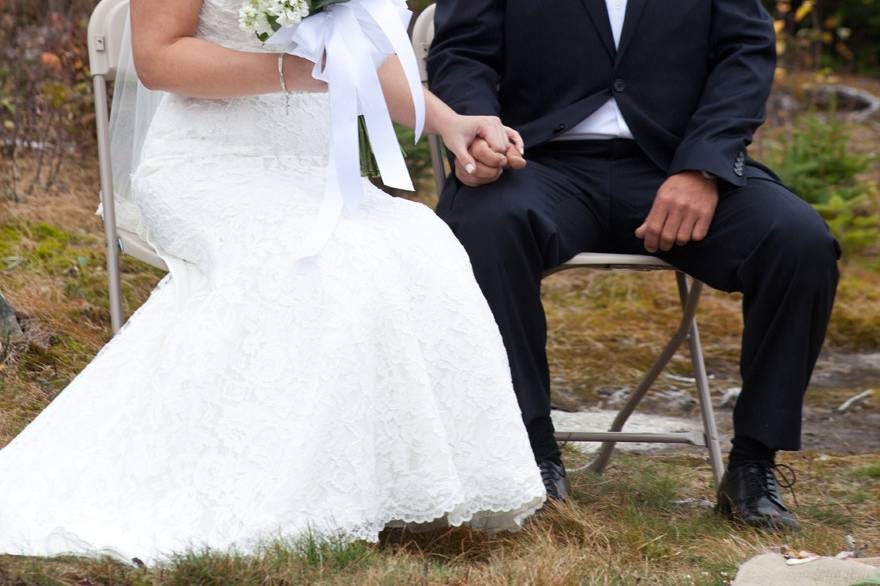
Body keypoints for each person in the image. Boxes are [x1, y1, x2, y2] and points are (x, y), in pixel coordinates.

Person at [0, 0, 547, 563]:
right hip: (206, 163)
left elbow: (360, 53)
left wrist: (451, 124)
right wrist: (293, 73)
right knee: (325, 266)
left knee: (427, 250)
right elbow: (158, 58)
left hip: (310, 172)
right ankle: (272, 489)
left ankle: (395, 485)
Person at [428, 0, 840, 530]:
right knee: (480, 229)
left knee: (800, 242)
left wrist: (703, 168)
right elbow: (463, 52)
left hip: (675, 165)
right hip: (538, 163)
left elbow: (745, 54)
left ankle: (753, 464)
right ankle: (529, 453)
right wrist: (479, 129)